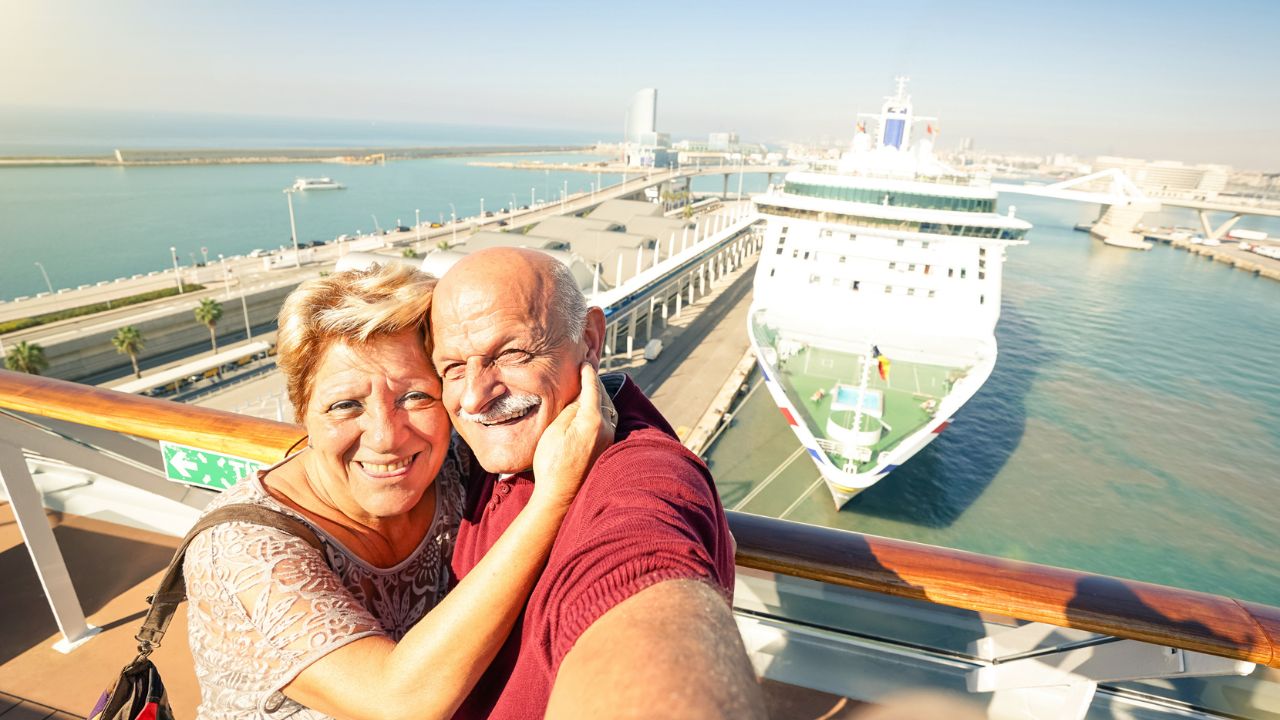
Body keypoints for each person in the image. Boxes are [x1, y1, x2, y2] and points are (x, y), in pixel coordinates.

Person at [183, 263, 612, 720]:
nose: (386, 437)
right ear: (302, 411)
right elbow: (396, 703)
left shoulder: (454, 469)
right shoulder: (240, 551)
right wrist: (553, 497)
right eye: (346, 405)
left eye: (416, 397)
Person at [431, 247, 765, 719]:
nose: (474, 396)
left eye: (511, 354)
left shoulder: (640, 476)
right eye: (452, 368)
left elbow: (638, 569)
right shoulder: (481, 454)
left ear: (589, 339)